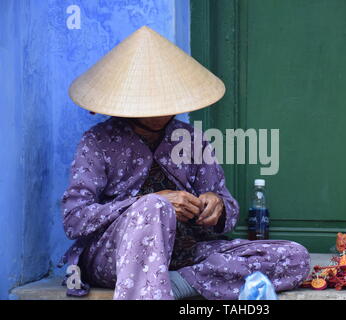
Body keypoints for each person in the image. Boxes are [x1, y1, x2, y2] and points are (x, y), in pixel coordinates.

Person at [60, 26, 310, 300]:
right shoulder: (98, 141)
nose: (159, 110)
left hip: (186, 255)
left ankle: (175, 284)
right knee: (152, 206)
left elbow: (229, 212)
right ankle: (154, 283)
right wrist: (151, 202)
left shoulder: (192, 139)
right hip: (116, 259)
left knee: (293, 257)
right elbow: (75, 220)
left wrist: (217, 205)